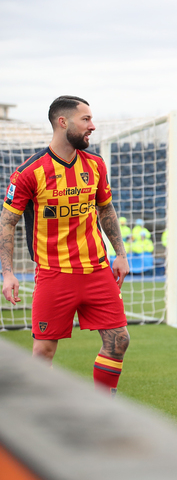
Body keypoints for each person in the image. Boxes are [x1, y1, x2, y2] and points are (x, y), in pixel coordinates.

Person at [1, 96, 130, 395]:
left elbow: (106, 210)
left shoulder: (95, 164)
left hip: (97, 271)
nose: (92, 126)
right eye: (85, 120)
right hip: (54, 274)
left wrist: (120, 254)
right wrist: (7, 273)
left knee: (118, 340)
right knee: (43, 352)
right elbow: (7, 222)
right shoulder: (29, 172)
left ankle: (102, 409)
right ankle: (37, 420)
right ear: (63, 122)